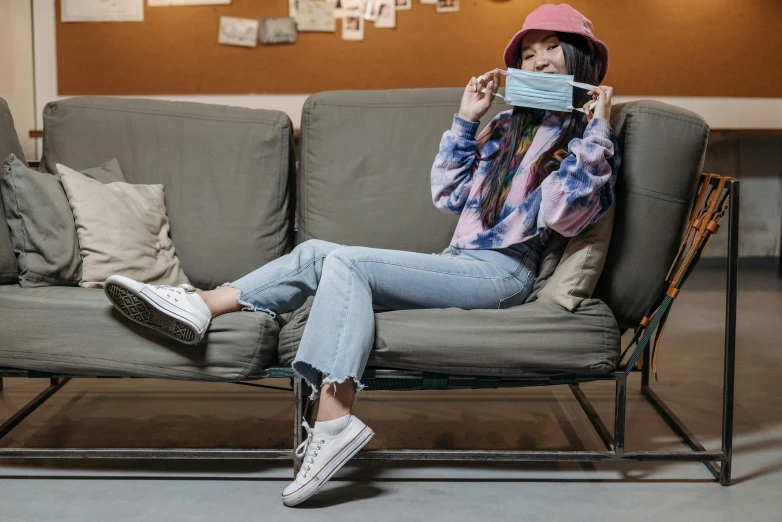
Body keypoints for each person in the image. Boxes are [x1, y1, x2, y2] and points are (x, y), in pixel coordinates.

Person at [103, 2, 620, 508]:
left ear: (581, 61)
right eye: (528, 55)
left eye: (553, 48)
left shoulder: (584, 140)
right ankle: (202, 304)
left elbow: (563, 214)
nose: (540, 61)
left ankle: (333, 419)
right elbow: (448, 196)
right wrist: (467, 120)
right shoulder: (508, 129)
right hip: (462, 261)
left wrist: (596, 128)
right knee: (318, 254)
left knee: (346, 262)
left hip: (503, 275)